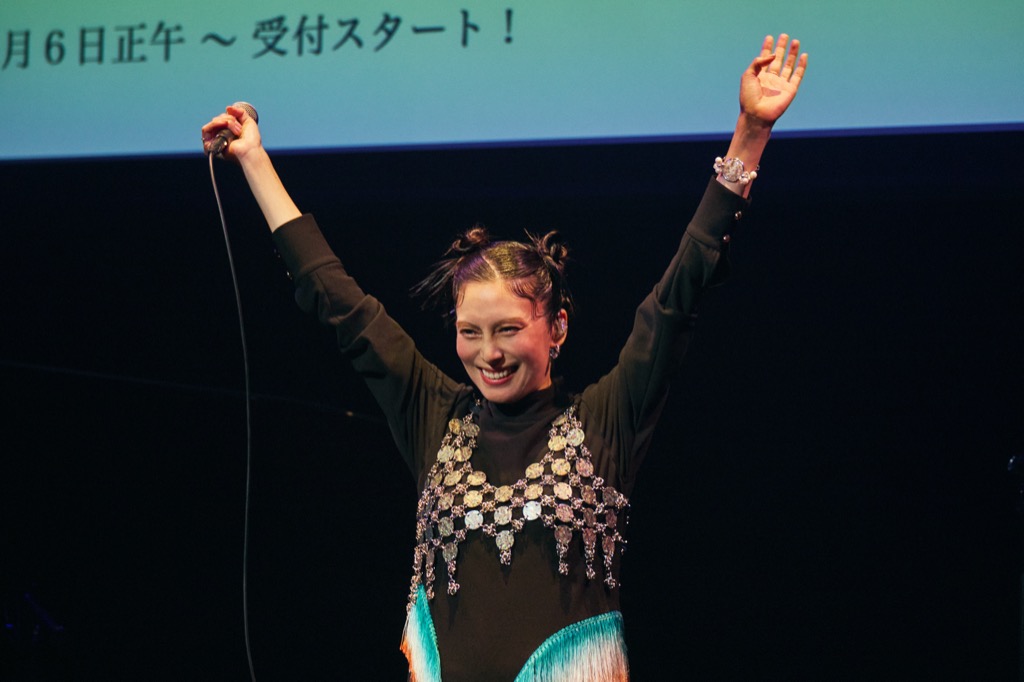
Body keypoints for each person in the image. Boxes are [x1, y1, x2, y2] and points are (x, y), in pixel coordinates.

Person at [202, 33, 807, 682]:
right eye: (470, 332)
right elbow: (338, 301)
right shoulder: (435, 418)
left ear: (557, 328)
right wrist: (254, 160)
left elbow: (679, 296)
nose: (487, 354)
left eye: (508, 330)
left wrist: (750, 134)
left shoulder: (605, 422)